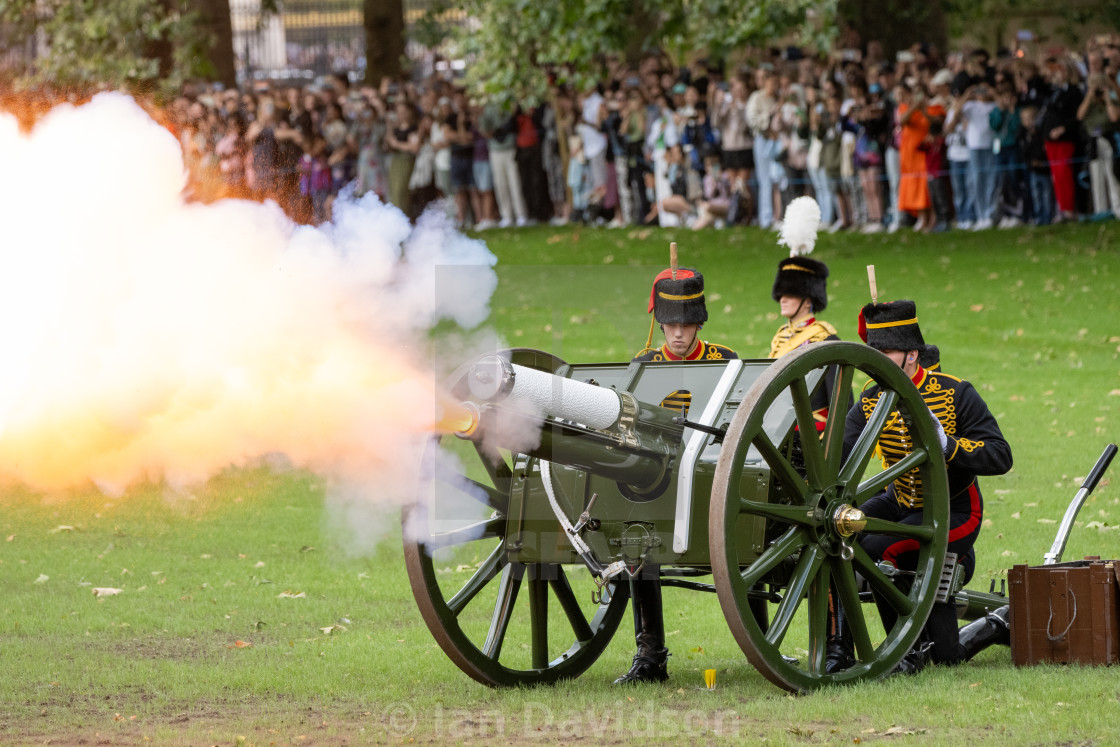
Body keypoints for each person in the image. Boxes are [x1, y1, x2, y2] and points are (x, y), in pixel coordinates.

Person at [830, 300, 1013, 674]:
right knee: (840, 535)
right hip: (898, 501)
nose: (875, 359)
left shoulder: (955, 393)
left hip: (955, 510)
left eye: (885, 352)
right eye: (872, 351)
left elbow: (1000, 455)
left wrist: (948, 445)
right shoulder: (869, 399)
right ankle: (843, 649)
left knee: (946, 654)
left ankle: (988, 625)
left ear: (912, 354)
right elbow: (838, 453)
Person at [618, 267, 736, 685]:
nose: (679, 333)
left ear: (699, 324)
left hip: (710, 475)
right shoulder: (644, 364)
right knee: (635, 540)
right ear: (660, 323)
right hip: (657, 477)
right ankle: (650, 656)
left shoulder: (725, 361)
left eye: (687, 324)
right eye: (671, 324)